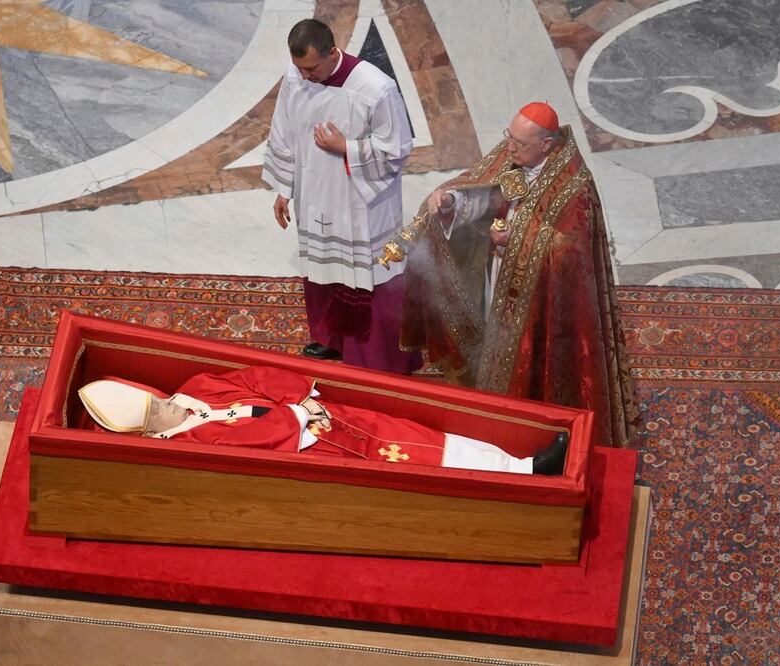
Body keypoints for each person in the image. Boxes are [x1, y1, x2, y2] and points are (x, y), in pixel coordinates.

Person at [400, 102, 639, 447]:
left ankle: (527, 417)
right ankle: (489, 393)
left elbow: (572, 253)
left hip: (538, 295)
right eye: (508, 137)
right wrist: (452, 202)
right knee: (491, 342)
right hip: (499, 274)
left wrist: (520, 239)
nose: (510, 148)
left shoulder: (574, 187)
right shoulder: (516, 155)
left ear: (547, 145)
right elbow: (484, 193)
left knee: (528, 355)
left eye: (520, 143)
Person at [262, 18, 420, 374]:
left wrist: (345, 147)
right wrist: (284, 189)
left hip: (362, 204)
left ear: (334, 53)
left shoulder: (376, 89)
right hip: (314, 193)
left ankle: (376, 358)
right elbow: (284, 131)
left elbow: (397, 150)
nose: (305, 76)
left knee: (370, 275)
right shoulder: (295, 75)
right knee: (323, 266)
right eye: (300, 68)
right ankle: (331, 338)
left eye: (312, 68)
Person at [78, 365, 569, 475]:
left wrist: (301, 399)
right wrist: (300, 418)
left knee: (422, 436)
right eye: (163, 411)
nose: (173, 403)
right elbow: (250, 448)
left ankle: (517, 461)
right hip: (318, 451)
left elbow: (255, 378)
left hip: (327, 417)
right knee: (419, 462)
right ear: (151, 429)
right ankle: (523, 478)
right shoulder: (186, 448)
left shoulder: (193, 390)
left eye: (160, 397)